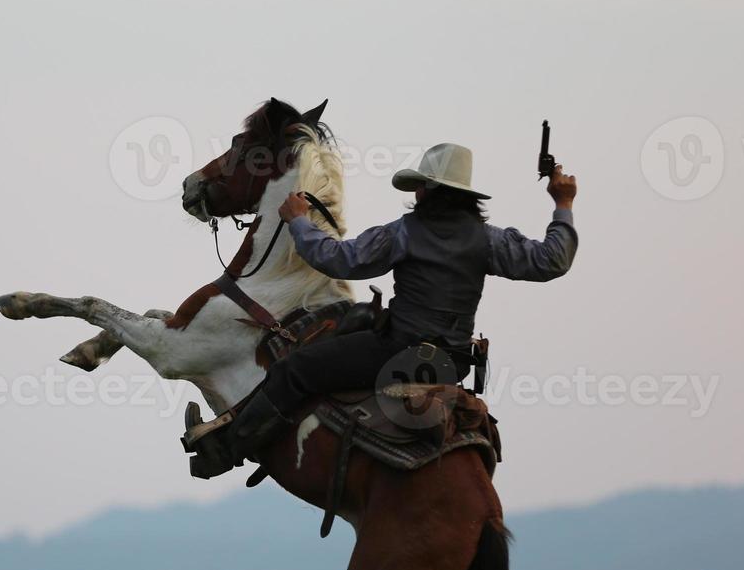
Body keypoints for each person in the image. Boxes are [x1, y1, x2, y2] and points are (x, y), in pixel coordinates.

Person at [186, 142, 579, 479]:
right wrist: (563, 203)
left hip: (397, 351)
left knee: (296, 368)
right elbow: (551, 261)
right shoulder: (488, 240)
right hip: (452, 363)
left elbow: (338, 260)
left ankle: (224, 452)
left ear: (427, 190)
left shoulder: (405, 232)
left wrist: (299, 222)